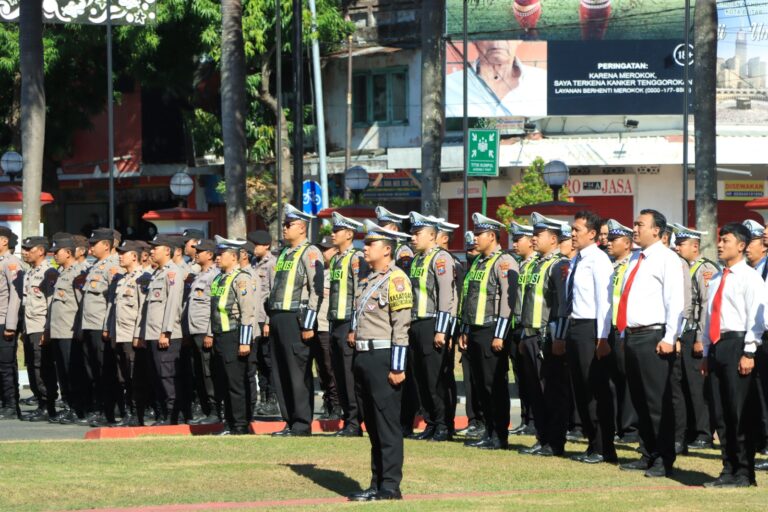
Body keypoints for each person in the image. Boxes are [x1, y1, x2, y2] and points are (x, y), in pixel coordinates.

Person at [347, 221, 412, 502]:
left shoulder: (396, 280)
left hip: (384, 357)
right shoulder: (367, 279)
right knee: (372, 425)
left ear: (387, 250)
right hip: (364, 356)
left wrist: (398, 366)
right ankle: (376, 482)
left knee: (386, 425)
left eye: (370, 244)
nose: (364, 247)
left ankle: (390, 486)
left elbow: (401, 326)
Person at [617, 209, 684, 478]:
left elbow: (675, 301)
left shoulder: (667, 258)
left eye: (640, 224)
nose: (634, 228)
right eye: (634, 223)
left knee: (657, 402)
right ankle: (648, 452)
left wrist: (670, 337)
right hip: (633, 336)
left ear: (656, 230)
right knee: (639, 400)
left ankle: (664, 457)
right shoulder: (636, 258)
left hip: (654, 337)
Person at [701, 222, 764, 488]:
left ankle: (744, 472)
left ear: (741, 245)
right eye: (720, 240)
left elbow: (756, 318)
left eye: (726, 240)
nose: (720, 244)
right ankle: (728, 467)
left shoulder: (750, 277)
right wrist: (706, 351)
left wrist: (749, 350)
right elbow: (709, 315)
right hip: (718, 346)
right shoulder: (717, 277)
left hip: (739, 344)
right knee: (721, 412)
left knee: (740, 412)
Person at [459, 213, 518, 451]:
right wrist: (464, 329)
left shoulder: (504, 262)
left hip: (492, 329)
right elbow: (469, 297)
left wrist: (500, 334)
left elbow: (508, 299)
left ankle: (500, 435)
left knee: (495, 385)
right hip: (475, 329)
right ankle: (488, 430)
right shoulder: (479, 263)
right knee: (481, 385)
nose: (475, 238)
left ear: (492, 236)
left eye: (479, 234)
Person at [566, 211, 617, 464]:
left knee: (595, 389)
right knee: (581, 390)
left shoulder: (598, 260)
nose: (572, 233)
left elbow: (604, 302)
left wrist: (602, 337)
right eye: (572, 229)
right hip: (575, 326)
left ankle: (604, 446)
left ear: (592, 233)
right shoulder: (578, 259)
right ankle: (591, 443)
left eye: (577, 229)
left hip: (591, 329)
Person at [268, 204, 323, 437]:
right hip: (278, 316)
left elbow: (316, 290)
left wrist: (308, 323)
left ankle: (301, 423)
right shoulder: (284, 253)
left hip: (296, 318)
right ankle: (289, 420)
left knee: (296, 371)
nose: (284, 229)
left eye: (288, 225)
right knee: (280, 371)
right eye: (283, 224)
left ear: (301, 228)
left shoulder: (310, 252)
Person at [517, 213, 569, 456]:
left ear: (553, 237)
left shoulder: (559, 265)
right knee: (534, 391)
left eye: (538, 235)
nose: (533, 238)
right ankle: (541, 437)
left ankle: (555, 442)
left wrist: (557, 337)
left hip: (545, 337)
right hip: (528, 335)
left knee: (551, 391)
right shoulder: (535, 264)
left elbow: (561, 304)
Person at [406, 212, 455, 442]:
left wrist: (442, 330)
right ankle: (431, 423)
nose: (413, 238)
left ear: (432, 235)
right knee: (421, 378)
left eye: (418, 234)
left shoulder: (441, 258)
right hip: (415, 324)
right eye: (413, 233)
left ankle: (444, 425)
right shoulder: (417, 259)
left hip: (432, 324)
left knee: (435, 378)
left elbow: (446, 296)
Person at [672, 223, 718, 451]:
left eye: (681, 244)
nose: (677, 248)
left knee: (697, 386)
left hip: (694, 333)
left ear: (695, 246)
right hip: (683, 333)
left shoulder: (704, 269)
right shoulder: (682, 267)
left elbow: (706, 305)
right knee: (682, 385)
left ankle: (704, 433)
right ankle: (690, 430)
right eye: (677, 244)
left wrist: (701, 337)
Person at [209, 236, 257, 436]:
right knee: (224, 382)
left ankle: (239, 425)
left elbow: (248, 312)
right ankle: (229, 423)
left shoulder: (242, 278)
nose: (217, 258)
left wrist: (245, 341)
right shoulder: (219, 278)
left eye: (221, 255)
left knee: (236, 383)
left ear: (234, 257)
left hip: (234, 335)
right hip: (220, 335)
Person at [328, 212, 368, 436]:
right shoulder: (336, 259)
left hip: (347, 323)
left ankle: (354, 421)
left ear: (349, 234)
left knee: (348, 373)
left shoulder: (356, 258)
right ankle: (347, 419)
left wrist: (354, 328)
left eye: (337, 231)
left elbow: (358, 296)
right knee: (338, 374)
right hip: (335, 321)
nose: (333, 234)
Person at [140, 235, 186, 425]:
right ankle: (162, 414)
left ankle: (173, 415)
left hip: (166, 335)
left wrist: (165, 332)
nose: (151, 251)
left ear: (167, 251)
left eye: (155, 248)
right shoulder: (156, 274)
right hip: (152, 334)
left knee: (167, 376)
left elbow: (173, 304)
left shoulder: (172, 273)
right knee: (156, 376)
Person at [102, 240, 149, 426]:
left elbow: (143, 311)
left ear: (134, 256)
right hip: (119, 334)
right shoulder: (121, 279)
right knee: (122, 377)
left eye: (124, 253)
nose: (120, 256)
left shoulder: (142, 278)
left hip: (132, 336)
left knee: (134, 377)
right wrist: (109, 329)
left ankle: (138, 415)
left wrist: (138, 335)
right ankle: (129, 412)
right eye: (119, 252)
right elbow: (113, 308)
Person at [79, 228, 121, 426]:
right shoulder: (95, 266)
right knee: (93, 370)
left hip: (101, 327)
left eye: (94, 244)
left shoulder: (113, 267)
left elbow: (113, 301)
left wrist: (107, 327)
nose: (90, 248)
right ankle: (100, 408)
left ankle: (109, 412)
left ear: (106, 245)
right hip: (89, 325)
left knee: (106, 371)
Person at [445, 40, 547, 117]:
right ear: (474, 39)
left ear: (519, 38)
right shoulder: (447, 86)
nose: (497, 42)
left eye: (508, 32)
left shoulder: (543, 81)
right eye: (488, 32)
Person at [605, 219, 639, 443]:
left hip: (626, 330)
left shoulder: (634, 265)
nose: (608, 243)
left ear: (627, 243)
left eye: (613, 239)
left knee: (628, 381)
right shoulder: (611, 265)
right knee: (612, 381)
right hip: (611, 330)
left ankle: (630, 430)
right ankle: (617, 426)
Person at [181, 239, 221, 426]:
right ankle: (207, 410)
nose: (197, 253)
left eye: (201, 251)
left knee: (208, 373)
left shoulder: (214, 276)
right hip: (195, 331)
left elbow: (215, 307)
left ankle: (215, 411)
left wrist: (210, 333)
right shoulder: (198, 275)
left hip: (205, 331)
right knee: (199, 372)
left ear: (210, 255)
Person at [20, 236, 59, 422]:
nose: (25, 252)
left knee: (42, 366)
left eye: (29, 249)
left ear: (41, 251)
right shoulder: (30, 272)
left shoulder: (49, 272)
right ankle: (40, 403)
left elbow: (51, 303)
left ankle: (48, 404)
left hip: (40, 326)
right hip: (29, 326)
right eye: (24, 248)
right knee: (32, 366)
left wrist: (48, 329)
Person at [47, 237, 85, 424]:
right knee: (62, 372)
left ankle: (78, 407)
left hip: (70, 331)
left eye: (57, 251)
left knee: (73, 372)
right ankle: (69, 406)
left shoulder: (77, 273)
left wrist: (79, 329)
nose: (54, 254)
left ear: (68, 253)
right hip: (57, 330)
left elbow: (81, 304)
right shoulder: (60, 273)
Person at [455, 231, 485, 439]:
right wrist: (462, 331)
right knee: (469, 380)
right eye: (468, 250)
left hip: (482, 330)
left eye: (473, 250)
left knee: (483, 380)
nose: (470, 254)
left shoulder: (484, 267)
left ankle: (483, 421)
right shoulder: (469, 270)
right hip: (467, 330)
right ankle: (473, 420)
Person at [509, 221, 537, 436]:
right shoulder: (520, 264)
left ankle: (534, 421)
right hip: (516, 327)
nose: (514, 243)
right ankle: (526, 419)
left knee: (533, 378)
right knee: (522, 378)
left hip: (530, 328)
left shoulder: (537, 264)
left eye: (519, 239)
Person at [248, 230, 278, 416]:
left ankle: (272, 399)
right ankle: (265, 399)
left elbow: (273, 294)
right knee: (259, 360)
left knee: (268, 361)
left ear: (266, 246)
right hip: (254, 320)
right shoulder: (253, 263)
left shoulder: (272, 264)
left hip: (265, 319)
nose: (253, 248)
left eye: (256, 245)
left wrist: (268, 321)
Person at [436, 218, 461, 435]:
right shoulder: (424, 260)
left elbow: (452, 298)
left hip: (444, 326)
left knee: (441, 377)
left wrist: (449, 331)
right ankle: (434, 423)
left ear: (443, 238)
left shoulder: (448, 261)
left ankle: (445, 424)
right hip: (427, 324)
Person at [316, 236, 341, 420]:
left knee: (330, 366)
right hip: (317, 324)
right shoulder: (322, 272)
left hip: (328, 325)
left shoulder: (338, 271)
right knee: (321, 369)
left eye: (327, 249)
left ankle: (336, 404)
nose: (324, 253)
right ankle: (328, 399)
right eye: (322, 249)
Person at [0, 227, 22, 420]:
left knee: (6, 365)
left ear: (4, 241)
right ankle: (3, 402)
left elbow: (15, 295)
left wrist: (11, 324)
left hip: (4, 320)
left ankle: (11, 405)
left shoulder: (11, 263)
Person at [375, 206, 414, 274]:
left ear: (394, 229)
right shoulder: (380, 246)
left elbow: (405, 275)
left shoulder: (403, 251)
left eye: (382, 225)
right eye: (379, 225)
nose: (379, 228)